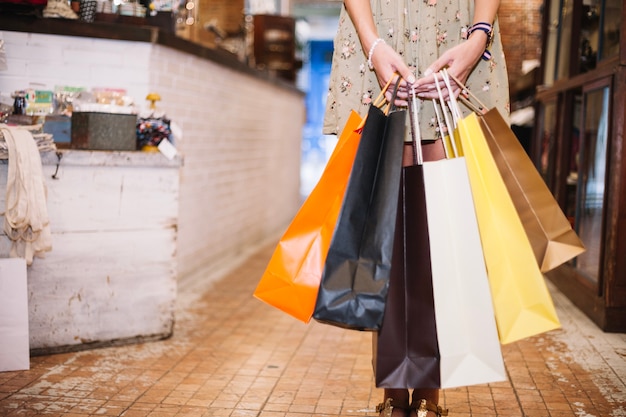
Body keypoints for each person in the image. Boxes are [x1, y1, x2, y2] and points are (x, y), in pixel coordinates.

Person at [322, 1, 510, 417]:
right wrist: (372, 44)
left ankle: (429, 389)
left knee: (440, 230)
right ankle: (394, 386)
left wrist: (479, 35)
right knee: (389, 232)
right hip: (379, 29)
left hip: (456, 30)